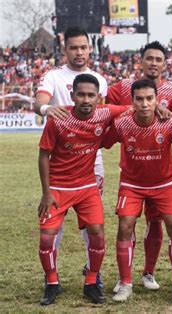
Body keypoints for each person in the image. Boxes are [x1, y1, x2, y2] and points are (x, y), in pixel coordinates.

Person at [37, 74, 126, 305]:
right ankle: (52, 283)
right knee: (47, 238)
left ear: (99, 98)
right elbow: (44, 156)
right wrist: (46, 193)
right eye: (81, 94)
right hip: (57, 187)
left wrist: (159, 110)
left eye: (91, 95)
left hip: (87, 186)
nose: (86, 99)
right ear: (72, 95)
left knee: (97, 232)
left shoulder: (105, 113)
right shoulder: (58, 119)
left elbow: (134, 107)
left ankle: (91, 281)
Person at [102, 79, 172, 305]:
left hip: (164, 184)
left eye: (149, 99)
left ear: (157, 100)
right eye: (139, 99)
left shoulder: (168, 123)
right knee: (125, 225)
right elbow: (103, 140)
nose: (144, 104)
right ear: (132, 101)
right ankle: (126, 283)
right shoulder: (122, 123)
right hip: (132, 185)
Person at [34, 26, 108, 288]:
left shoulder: (99, 78)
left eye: (83, 47)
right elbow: (39, 102)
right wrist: (47, 108)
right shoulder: (53, 76)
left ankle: (93, 274)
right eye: (73, 47)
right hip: (60, 165)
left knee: (93, 226)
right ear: (65, 50)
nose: (79, 52)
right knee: (54, 227)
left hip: (92, 164)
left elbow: (106, 114)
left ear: (90, 49)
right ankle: (51, 278)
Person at [106, 41, 172, 292]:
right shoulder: (124, 87)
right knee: (127, 224)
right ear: (141, 61)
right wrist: (133, 108)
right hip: (133, 174)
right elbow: (104, 107)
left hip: (161, 176)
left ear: (165, 63)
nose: (154, 63)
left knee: (156, 223)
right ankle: (123, 278)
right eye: (149, 58)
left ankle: (149, 273)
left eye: (159, 59)